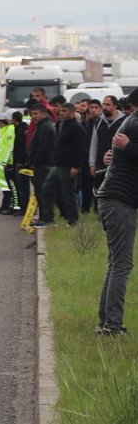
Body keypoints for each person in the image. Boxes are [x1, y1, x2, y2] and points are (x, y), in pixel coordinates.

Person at [94, 88, 138, 336]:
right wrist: (130, 147)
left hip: (113, 199)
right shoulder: (135, 124)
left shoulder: (130, 123)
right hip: (119, 201)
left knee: (115, 263)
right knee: (122, 264)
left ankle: (106, 322)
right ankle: (112, 325)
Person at [40, 102, 83, 228]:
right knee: (47, 189)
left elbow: (79, 149)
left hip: (68, 166)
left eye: (64, 111)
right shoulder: (62, 124)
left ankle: (73, 220)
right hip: (58, 165)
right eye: (61, 111)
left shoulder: (76, 127)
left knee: (68, 194)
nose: (60, 113)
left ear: (71, 112)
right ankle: (48, 218)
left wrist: (75, 166)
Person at [28, 104, 56, 227]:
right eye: (32, 114)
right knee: (40, 192)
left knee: (43, 192)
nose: (33, 117)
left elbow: (44, 147)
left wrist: (35, 161)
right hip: (42, 164)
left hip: (44, 165)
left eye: (36, 114)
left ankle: (47, 218)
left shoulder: (45, 127)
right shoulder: (42, 125)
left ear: (43, 113)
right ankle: (43, 217)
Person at [91, 95, 124, 192]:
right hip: (101, 164)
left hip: (119, 164)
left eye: (108, 104)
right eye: (103, 104)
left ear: (115, 106)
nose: (104, 107)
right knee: (100, 190)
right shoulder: (98, 122)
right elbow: (94, 144)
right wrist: (92, 163)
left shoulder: (124, 121)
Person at [0, 114, 18, 215]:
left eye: (0, 122)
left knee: (11, 188)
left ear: (4, 122)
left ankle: (11, 206)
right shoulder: (4, 132)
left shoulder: (9, 131)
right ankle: (5, 206)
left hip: (7, 164)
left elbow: (10, 147)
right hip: (3, 165)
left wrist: (5, 161)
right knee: (5, 188)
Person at [11, 110, 30, 217]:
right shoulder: (22, 128)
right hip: (22, 162)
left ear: (14, 119)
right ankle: (24, 207)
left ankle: (24, 208)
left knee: (22, 186)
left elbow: (22, 147)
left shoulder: (20, 130)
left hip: (21, 163)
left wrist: (21, 161)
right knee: (23, 186)